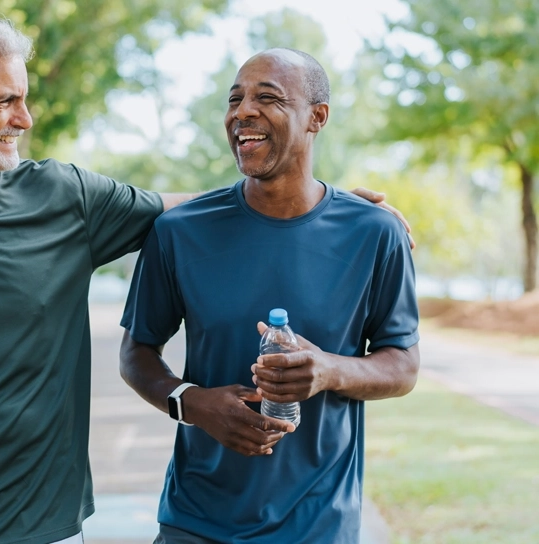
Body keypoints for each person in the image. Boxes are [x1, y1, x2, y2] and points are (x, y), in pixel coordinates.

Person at [0, 11, 410, 544]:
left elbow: (193, 208)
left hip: (47, 527)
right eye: (6, 102)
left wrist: (331, 206)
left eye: (24, 99)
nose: (25, 119)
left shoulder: (64, 197)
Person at [119, 47, 420, 544]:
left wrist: (329, 370)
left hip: (319, 526)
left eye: (268, 98)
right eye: (235, 99)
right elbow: (136, 353)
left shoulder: (374, 233)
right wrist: (191, 403)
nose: (243, 112)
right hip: (195, 522)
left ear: (316, 118)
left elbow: (404, 366)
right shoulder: (178, 232)